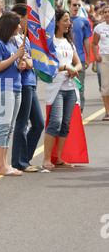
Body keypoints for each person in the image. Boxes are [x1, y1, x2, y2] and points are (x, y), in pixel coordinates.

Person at [42, 9, 82, 170]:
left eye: (69, 20)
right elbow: (47, 65)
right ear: (57, 22)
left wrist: (75, 69)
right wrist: (66, 67)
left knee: (65, 123)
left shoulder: (69, 42)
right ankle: (46, 159)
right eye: (65, 20)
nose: (68, 23)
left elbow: (78, 62)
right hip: (56, 86)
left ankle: (58, 157)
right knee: (55, 121)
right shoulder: (50, 42)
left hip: (70, 88)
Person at [0, 12, 26, 176]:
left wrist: (21, 63)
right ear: (9, 26)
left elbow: (12, 63)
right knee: (3, 126)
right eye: (17, 24)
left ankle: (5, 163)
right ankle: (0, 165)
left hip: (16, 86)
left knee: (10, 127)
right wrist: (15, 57)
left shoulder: (13, 41)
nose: (20, 27)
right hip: (4, 87)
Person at [10, 4, 44, 172]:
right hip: (22, 84)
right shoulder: (14, 38)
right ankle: (19, 162)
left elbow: (32, 62)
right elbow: (21, 62)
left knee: (38, 123)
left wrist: (30, 63)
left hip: (31, 82)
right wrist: (27, 63)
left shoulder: (26, 37)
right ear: (21, 18)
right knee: (22, 124)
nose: (30, 23)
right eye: (28, 19)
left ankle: (25, 158)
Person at [67, 0, 92, 113]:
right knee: (66, 86)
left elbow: (86, 40)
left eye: (78, 5)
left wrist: (88, 58)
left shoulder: (84, 21)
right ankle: (68, 111)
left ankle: (79, 111)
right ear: (68, 5)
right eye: (74, 5)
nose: (76, 7)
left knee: (79, 86)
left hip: (80, 59)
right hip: (65, 58)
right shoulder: (63, 19)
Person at [92, 5, 109, 120]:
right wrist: (96, 55)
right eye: (105, 12)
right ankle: (107, 112)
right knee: (105, 86)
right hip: (104, 57)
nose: (107, 14)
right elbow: (94, 43)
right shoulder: (99, 27)